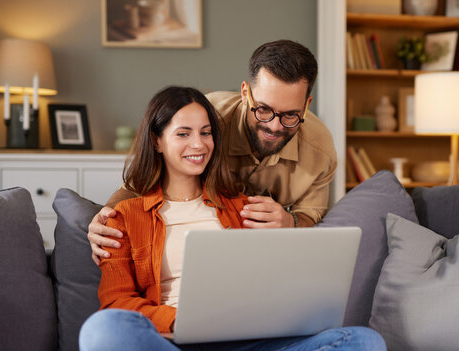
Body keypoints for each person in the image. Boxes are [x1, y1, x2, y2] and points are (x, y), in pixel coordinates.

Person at [78, 86, 387, 351]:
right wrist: (182, 319)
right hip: (168, 345)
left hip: (244, 344)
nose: (198, 145)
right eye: (183, 133)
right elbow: (116, 303)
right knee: (101, 330)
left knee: (364, 343)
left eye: (206, 132)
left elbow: (275, 286)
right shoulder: (123, 217)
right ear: (157, 141)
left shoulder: (245, 209)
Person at [87, 39, 338, 265]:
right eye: (263, 109)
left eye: (291, 115)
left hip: (266, 259)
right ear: (245, 94)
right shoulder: (206, 119)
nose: (274, 126)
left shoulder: (321, 150)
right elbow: (141, 180)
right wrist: (105, 217)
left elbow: (311, 215)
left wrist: (290, 223)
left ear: (306, 106)